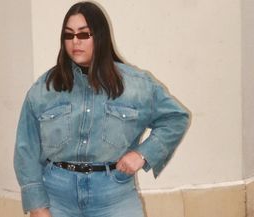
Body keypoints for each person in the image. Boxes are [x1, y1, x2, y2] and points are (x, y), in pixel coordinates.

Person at [14, 1, 190, 217]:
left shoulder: (136, 85)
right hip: (56, 198)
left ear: (100, 36)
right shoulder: (45, 88)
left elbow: (176, 118)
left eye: (84, 34)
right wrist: (37, 205)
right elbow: (26, 150)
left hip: (114, 197)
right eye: (69, 35)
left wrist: (143, 154)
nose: (75, 42)